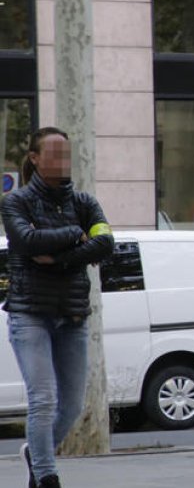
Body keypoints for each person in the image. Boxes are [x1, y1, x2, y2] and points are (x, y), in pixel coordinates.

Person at [1, 127, 114, 488]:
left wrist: (59, 257)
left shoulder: (85, 203)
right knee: (43, 398)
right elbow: (27, 241)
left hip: (73, 314)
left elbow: (105, 243)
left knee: (72, 406)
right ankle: (47, 477)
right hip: (30, 314)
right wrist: (73, 235)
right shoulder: (15, 202)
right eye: (53, 153)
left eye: (66, 153)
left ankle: (37, 454)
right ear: (35, 158)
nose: (62, 161)